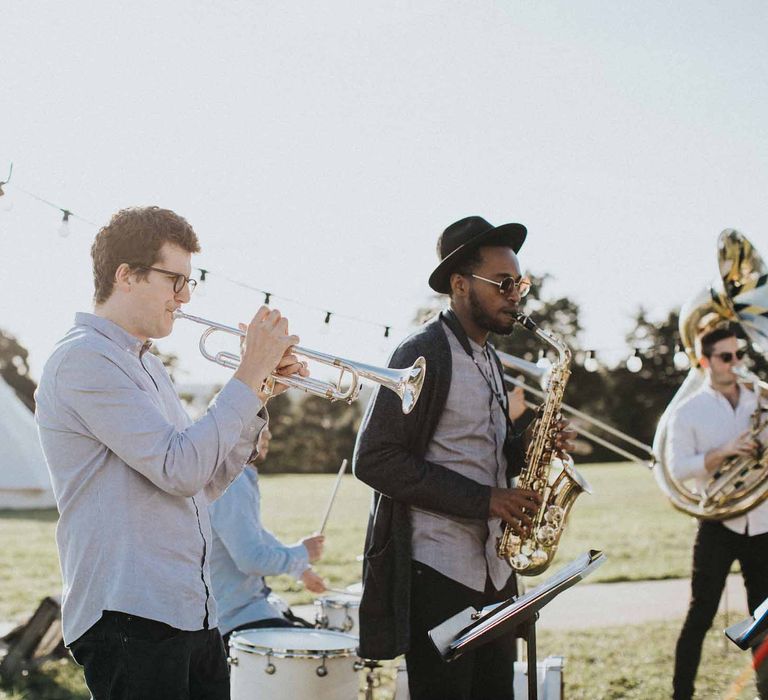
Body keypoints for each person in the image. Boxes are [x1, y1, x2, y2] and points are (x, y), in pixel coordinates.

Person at [35, 206, 305, 700]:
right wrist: (246, 375)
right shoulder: (83, 359)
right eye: (174, 280)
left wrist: (260, 390)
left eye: (189, 282)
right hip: (131, 616)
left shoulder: (148, 365)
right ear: (126, 276)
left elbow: (203, 479)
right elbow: (178, 470)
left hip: (190, 610)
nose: (183, 297)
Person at [353, 216, 575, 700]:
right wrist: (486, 500)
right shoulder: (422, 352)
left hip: (495, 572)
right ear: (459, 285)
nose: (516, 294)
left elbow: (487, 452)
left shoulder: (488, 357)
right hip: (438, 573)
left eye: (520, 283)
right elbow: (374, 459)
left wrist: (532, 440)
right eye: (503, 283)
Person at [667, 324, 768, 700]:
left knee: (764, 618)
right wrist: (726, 451)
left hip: (762, 521)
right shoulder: (688, 412)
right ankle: (682, 695)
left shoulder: (760, 400)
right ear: (704, 362)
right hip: (717, 524)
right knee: (700, 616)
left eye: (739, 354)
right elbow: (678, 469)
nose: (736, 363)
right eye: (726, 357)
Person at [209, 426, 328, 647]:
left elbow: (257, 534)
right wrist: (303, 552)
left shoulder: (237, 476)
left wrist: (300, 568)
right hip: (235, 620)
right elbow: (251, 559)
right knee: (323, 655)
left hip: (248, 610)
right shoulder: (232, 482)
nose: (269, 435)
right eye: (260, 424)